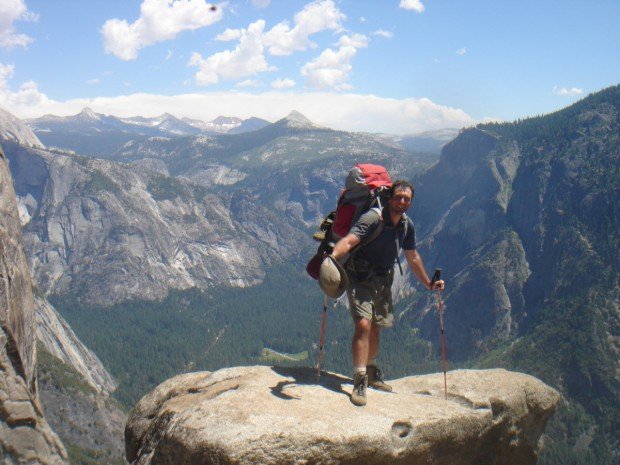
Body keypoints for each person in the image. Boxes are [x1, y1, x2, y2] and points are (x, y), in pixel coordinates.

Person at [329, 180, 445, 406]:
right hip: (360, 277)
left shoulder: (406, 226)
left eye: (407, 199)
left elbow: (412, 257)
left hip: (383, 279)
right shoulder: (373, 218)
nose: (402, 201)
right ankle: (360, 380)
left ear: (410, 202)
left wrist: (429, 283)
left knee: (376, 326)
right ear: (390, 197)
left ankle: (371, 372)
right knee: (363, 324)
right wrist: (333, 257)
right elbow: (350, 240)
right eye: (399, 197)